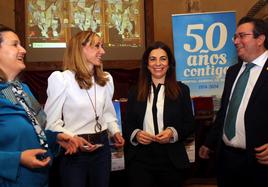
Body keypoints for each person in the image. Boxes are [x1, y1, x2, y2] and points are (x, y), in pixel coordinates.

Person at [44, 30, 125, 187]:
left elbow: (107, 113)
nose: (102, 51)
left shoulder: (106, 79)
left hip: (102, 149)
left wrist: (115, 131)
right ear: (80, 49)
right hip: (74, 151)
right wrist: (72, 137)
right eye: (97, 46)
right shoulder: (61, 80)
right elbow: (51, 123)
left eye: (102, 46)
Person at [0, 24, 78, 187]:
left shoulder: (23, 89)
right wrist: (17, 159)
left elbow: (35, 129)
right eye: (15, 45)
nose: (23, 50)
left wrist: (55, 137)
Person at [199, 16, 268, 186]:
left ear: (260, 39)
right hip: (226, 159)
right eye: (235, 37)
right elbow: (225, 111)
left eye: (242, 36)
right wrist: (209, 143)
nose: (236, 41)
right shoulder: (232, 71)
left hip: (259, 164)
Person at [123, 41, 195, 187]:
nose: (158, 63)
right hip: (140, 160)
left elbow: (190, 124)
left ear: (169, 64)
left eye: (163, 58)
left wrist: (172, 132)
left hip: (171, 160)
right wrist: (136, 134)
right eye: (152, 59)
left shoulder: (182, 90)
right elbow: (127, 124)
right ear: (146, 64)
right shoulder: (134, 91)